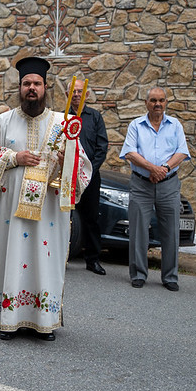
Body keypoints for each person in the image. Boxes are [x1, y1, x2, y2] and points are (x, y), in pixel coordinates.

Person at [0, 56, 92, 342]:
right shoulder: (3, 121)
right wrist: (14, 157)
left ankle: (44, 320)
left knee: (45, 260)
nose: (32, 88)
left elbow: (84, 168)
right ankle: (8, 319)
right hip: (9, 213)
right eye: (26, 83)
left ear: (45, 87)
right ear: (19, 87)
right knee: (9, 256)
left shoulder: (64, 124)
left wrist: (68, 163)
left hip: (48, 215)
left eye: (37, 83)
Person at [120, 87, 190, 291]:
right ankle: (138, 274)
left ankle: (170, 277)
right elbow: (130, 152)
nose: (157, 104)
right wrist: (152, 168)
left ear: (166, 102)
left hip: (168, 184)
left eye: (161, 100)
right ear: (146, 103)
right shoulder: (136, 125)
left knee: (170, 231)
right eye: (153, 100)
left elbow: (182, 152)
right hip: (142, 183)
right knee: (138, 230)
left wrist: (164, 169)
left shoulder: (175, 125)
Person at [69, 79, 108, 275]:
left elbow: (102, 146)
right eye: (73, 91)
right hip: (67, 176)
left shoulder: (95, 117)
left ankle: (93, 260)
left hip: (90, 177)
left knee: (92, 218)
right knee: (64, 217)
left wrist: (89, 170)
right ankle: (61, 257)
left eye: (80, 91)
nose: (76, 94)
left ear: (87, 94)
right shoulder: (62, 116)